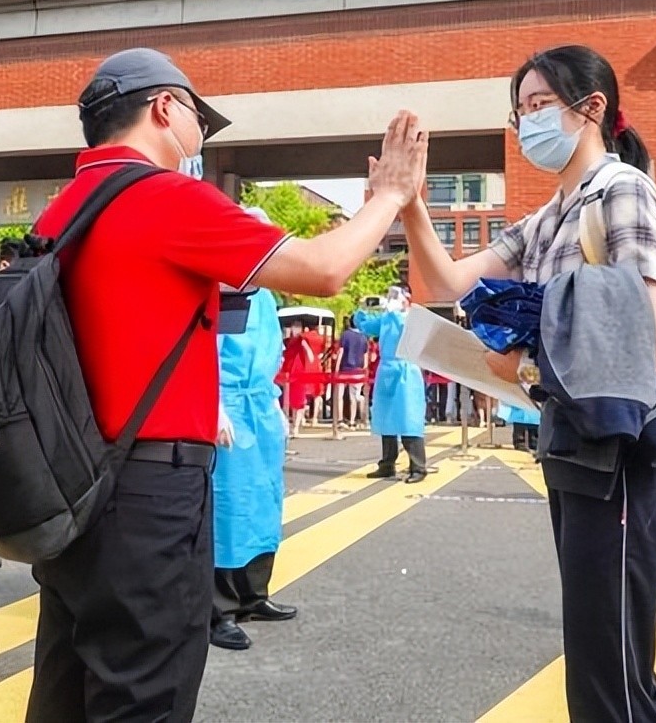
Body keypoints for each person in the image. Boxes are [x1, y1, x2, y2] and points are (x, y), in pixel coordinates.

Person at [23, 47, 426, 722]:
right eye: (197, 122)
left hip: (75, 480)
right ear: (163, 109)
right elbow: (324, 269)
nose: (198, 141)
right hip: (149, 487)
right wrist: (389, 196)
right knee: (142, 692)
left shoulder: (65, 208)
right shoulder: (165, 196)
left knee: (68, 684)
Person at [399, 45, 656, 721]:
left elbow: (648, 340)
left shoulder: (620, 190)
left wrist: (525, 362)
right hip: (580, 451)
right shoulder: (551, 213)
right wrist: (410, 202)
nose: (527, 122)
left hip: (631, 458)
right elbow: (445, 283)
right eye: (521, 112)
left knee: (611, 680)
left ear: (591, 108)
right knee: (601, 667)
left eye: (539, 106)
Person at [209, 216, 296, 652]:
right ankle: (217, 608)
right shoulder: (222, 286)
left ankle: (253, 594)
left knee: (264, 501)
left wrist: (276, 400)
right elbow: (204, 351)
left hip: (259, 406)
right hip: (229, 405)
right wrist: (214, 406)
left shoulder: (264, 295)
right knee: (227, 507)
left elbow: (273, 350)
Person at [355, 286, 428, 483]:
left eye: (396, 295)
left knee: (408, 419)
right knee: (385, 418)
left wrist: (395, 313)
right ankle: (387, 464)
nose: (391, 299)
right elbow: (365, 326)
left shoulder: (413, 317)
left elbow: (408, 333)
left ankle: (418, 467)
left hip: (406, 371)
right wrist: (362, 308)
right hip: (386, 369)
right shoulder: (386, 318)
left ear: (407, 299)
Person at [335, 315, 369, 429]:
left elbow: (341, 352)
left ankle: (339, 420)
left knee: (339, 395)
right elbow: (366, 356)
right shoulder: (364, 337)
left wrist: (336, 368)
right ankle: (352, 421)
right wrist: (364, 369)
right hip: (358, 371)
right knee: (353, 397)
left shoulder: (345, 335)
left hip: (344, 369)